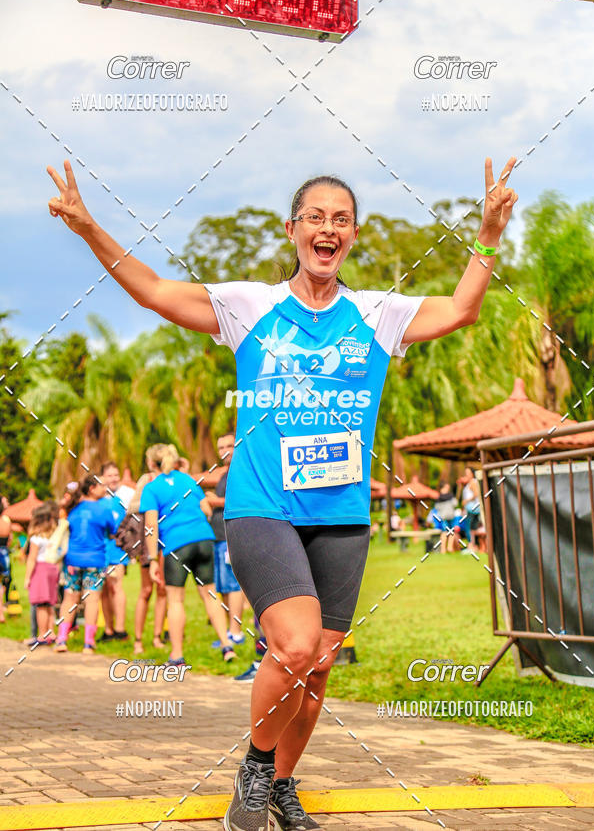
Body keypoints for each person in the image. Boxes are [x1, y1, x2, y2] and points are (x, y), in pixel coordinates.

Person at [47, 155, 517, 831]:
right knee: (293, 647)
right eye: (316, 218)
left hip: (343, 515)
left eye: (342, 221)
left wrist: (490, 232)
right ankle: (257, 767)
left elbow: (463, 309)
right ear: (292, 229)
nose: (329, 230)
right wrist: (90, 227)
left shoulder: (377, 314)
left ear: (353, 236)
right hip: (262, 507)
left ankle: (284, 785)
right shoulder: (250, 307)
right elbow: (151, 290)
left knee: (320, 667)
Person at [138, 443, 234, 664]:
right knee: (210, 595)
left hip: (176, 545)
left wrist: (152, 560)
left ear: (151, 464)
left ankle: (177, 655)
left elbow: (150, 527)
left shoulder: (152, 489)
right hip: (204, 538)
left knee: (175, 600)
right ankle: (227, 647)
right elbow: (207, 509)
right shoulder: (188, 480)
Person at [55, 474, 116, 654]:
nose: (105, 489)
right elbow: (112, 531)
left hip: (72, 562)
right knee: (92, 600)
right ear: (92, 489)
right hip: (94, 562)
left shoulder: (73, 509)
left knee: (69, 598)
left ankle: (61, 639)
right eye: (102, 486)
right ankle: (88, 643)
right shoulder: (104, 509)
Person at [125, 444, 168, 655]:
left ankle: (158, 637)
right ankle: (138, 640)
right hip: (148, 537)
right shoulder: (147, 480)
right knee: (146, 590)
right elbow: (133, 507)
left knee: (162, 589)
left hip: (167, 537)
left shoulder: (174, 478)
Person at [207, 434, 245, 646]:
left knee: (233, 585)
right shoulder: (224, 474)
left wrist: (214, 501)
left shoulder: (240, 471)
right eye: (221, 446)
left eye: (229, 446)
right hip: (219, 536)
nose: (224, 450)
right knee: (224, 586)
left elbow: (239, 499)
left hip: (231, 535)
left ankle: (236, 632)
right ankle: (230, 631)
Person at [99, 461, 133, 641]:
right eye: (110, 475)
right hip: (99, 550)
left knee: (116, 586)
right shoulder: (97, 499)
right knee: (103, 589)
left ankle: (120, 629)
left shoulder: (123, 498)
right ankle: (108, 629)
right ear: (102, 477)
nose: (113, 479)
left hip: (116, 549)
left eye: (115, 475)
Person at [24, 502, 65, 644]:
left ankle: (42, 635)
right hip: (53, 569)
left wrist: (27, 578)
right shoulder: (53, 537)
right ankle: (51, 633)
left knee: (41, 604)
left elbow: (31, 559)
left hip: (40, 570)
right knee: (50, 603)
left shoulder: (36, 538)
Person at [0, 495, 12, 623]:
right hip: (3, 554)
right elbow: (9, 540)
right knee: (2, 584)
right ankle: (1, 613)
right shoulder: (7, 520)